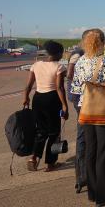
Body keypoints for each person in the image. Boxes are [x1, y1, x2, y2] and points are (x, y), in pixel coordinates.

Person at [70, 29, 105, 206]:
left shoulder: (80, 61)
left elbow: (76, 89)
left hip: (84, 109)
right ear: (100, 42)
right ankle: (103, 195)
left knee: (90, 150)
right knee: (103, 151)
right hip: (102, 110)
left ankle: (92, 193)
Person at [23, 40, 68, 172]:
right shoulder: (59, 67)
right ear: (58, 53)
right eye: (62, 52)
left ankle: (34, 157)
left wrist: (26, 97)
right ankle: (50, 163)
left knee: (41, 131)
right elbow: (59, 88)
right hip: (52, 99)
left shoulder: (36, 65)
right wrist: (65, 106)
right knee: (54, 132)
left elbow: (29, 85)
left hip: (38, 98)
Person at [66, 32, 88, 193]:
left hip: (78, 97)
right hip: (81, 98)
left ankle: (83, 175)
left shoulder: (79, 53)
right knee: (83, 134)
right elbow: (69, 73)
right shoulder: (78, 54)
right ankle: (82, 176)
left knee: (84, 133)